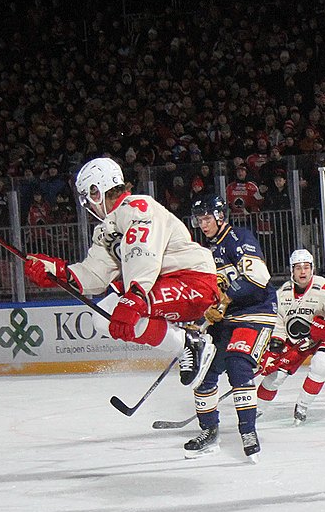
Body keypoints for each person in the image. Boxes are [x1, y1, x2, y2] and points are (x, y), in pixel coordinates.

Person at [23, 156, 217, 387]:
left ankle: (189, 343)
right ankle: (184, 341)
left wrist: (134, 297)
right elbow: (95, 274)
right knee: (102, 317)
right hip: (159, 285)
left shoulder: (139, 207)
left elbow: (143, 253)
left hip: (194, 282)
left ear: (97, 191)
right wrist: (58, 273)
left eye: (88, 198)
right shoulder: (106, 229)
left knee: (123, 309)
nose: (88, 206)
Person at [182, 198, 276, 458]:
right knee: (204, 372)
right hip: (228, 317)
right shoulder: (205, 251)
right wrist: (203, 311)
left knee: (238, 364)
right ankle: (209, 432)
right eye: (199, 220)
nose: (203, 224)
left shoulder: (239, 237)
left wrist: (224, 301)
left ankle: (247, 430)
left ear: (220, 216)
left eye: (206, 218)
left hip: (256, 312)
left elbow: (258, 279)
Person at [256, 248, 325, 423]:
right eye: (298, 268)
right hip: (297, 340)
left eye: (306, 267)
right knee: (274, 377)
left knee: (321, 363)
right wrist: (274, 350)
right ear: (292, 271)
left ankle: (302, 406)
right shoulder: (282, 293)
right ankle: (255, 411)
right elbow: (279, 323)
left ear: (312, 269)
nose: (303, 271)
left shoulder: (324, 288)